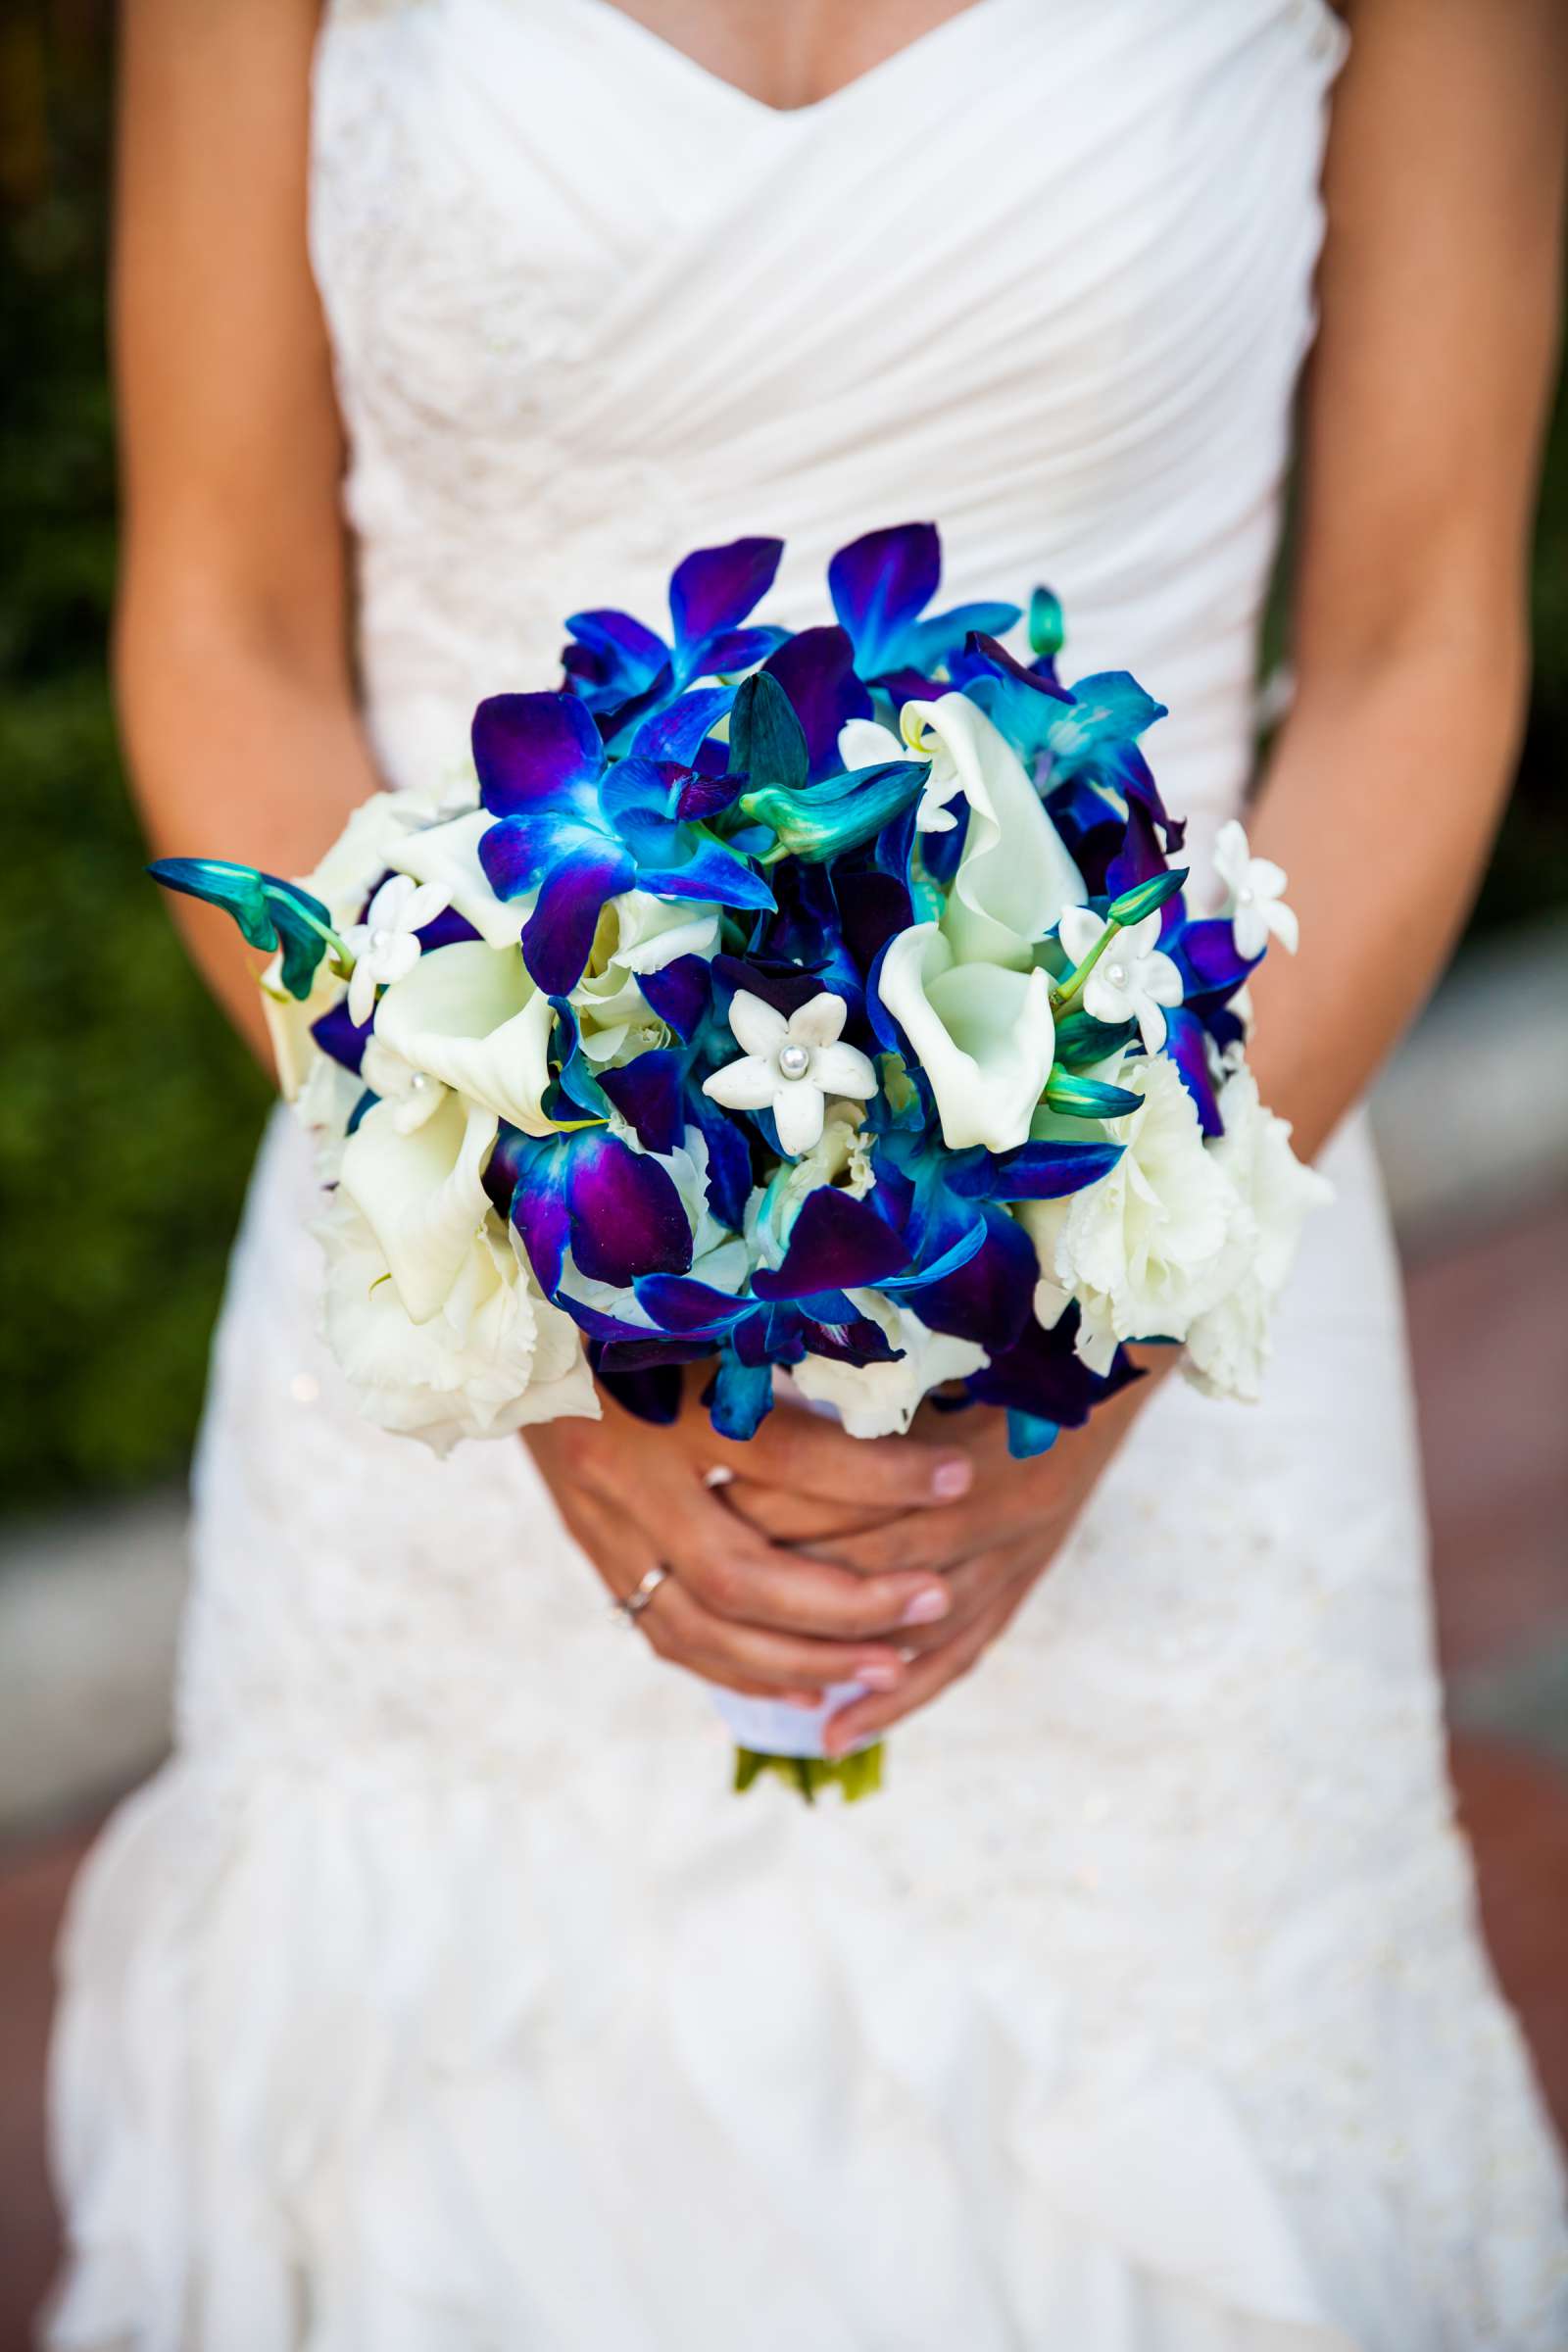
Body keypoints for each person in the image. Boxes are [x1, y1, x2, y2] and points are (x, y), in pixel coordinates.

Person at [46, 2, 1568, 2344]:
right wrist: (520, 1309)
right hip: (451, 1294)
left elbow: (1411, 643)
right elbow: (229, 620)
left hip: (1167, 1257)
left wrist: (1097, 1339)